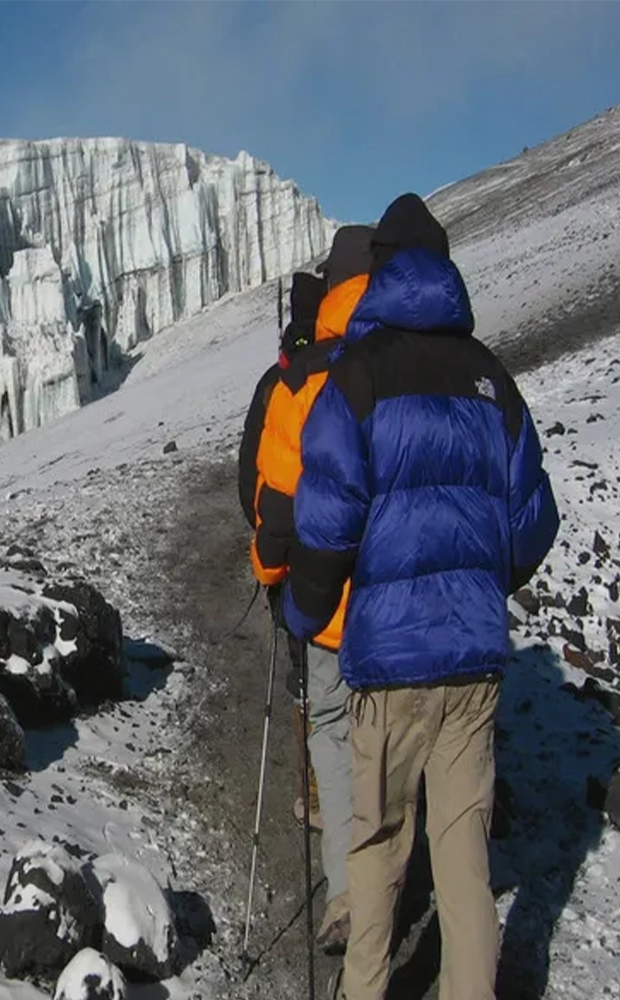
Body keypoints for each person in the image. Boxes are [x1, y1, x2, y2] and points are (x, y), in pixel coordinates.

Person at [284, 194, 560, 1000]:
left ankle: (364, 990)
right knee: (463, 853)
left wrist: (306, 610)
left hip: (390, 666)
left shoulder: (357, 379)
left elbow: (327, 519)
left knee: (377, 849)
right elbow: (533, 521)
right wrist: (483, 580)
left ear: (381, 276)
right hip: (472, 664)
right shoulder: (491, 380)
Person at [237, 225, 375, 955]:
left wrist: (269, 564)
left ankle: (351, 888)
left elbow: (269, 487)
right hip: (395, 597)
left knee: (324, 715)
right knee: (383, 729)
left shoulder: (296, 377)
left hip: (320, 592)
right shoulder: (399, 360)